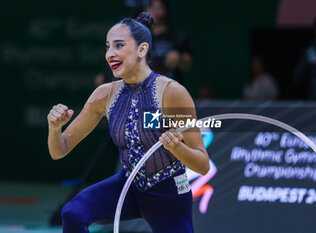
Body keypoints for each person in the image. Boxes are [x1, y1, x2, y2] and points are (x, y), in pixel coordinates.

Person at [47, 12, 209, 233]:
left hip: (168, 191)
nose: (109, 54)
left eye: (119, 45)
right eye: (107, 47)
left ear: (142, 50)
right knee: (72, 212)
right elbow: (60, 150)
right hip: (128, 185)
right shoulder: (104, 95)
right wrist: (55, 129)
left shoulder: (171, 93)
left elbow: (202, 164)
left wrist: (177, 147)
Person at [146, 0, 192, 84]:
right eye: (151, 8)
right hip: (146, 89)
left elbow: (187, 65)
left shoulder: (178, 37)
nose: (153, 11)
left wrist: (179, 58)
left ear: (165, 11)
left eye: (157, 8)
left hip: (171, 87)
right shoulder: (142, 38)